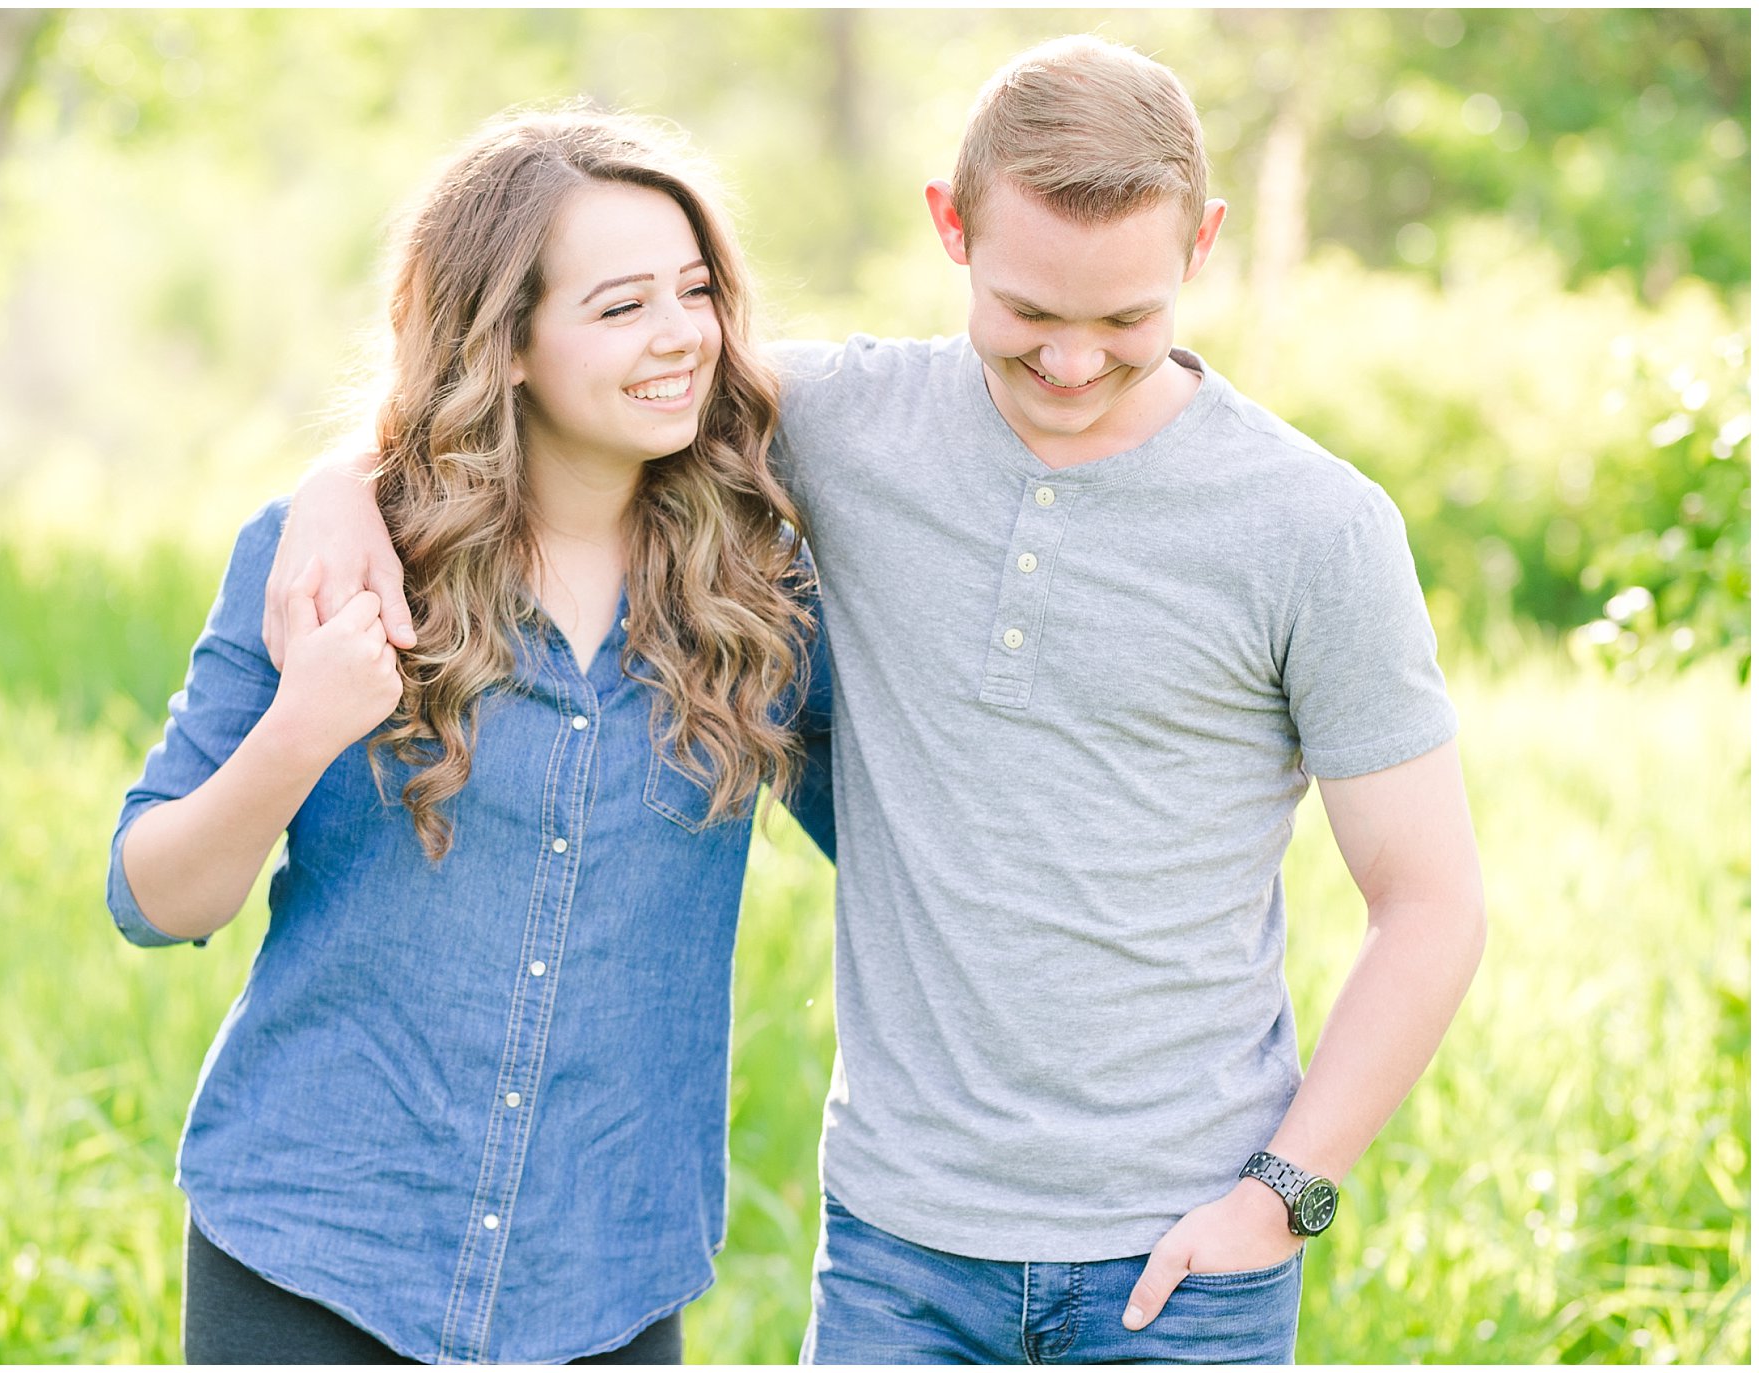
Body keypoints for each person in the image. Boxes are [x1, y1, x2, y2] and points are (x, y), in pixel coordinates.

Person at [269, 35, 1486, 1366]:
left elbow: (1429, 906)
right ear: (949, 225)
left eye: (1126, 323)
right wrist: (344, 485)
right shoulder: (842, 425)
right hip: (897, 1262)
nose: (1073, 365)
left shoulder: (1315, 527)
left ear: (1202, 246)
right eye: (1029, 316)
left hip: (1186, 1267)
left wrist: (1282, 1196)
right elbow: (562, 385)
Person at [105, 110, 833, 1365]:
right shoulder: (335, 559)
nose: (679, 337)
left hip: (604, 1277)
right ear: (504, 346)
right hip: (314, 1254)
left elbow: (903, 846)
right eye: (619, 308)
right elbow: (149, 896)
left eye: (695, 291)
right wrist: (302, 725)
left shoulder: (761, 590)